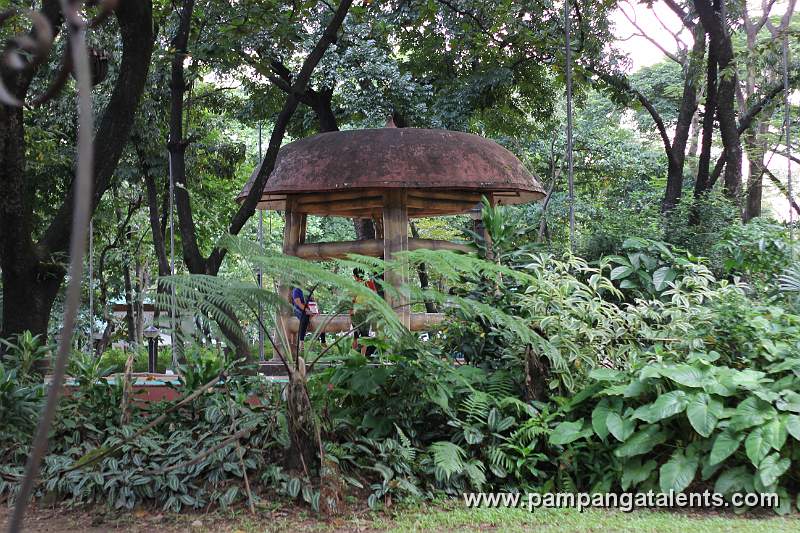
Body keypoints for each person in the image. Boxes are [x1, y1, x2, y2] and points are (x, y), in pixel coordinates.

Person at [351, 269, 377, 355]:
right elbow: (375, 297)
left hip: (357, 312)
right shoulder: (369, 283)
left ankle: (353, 355)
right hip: (366, 312)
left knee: (356, 336)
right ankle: (361, 356)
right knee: (364, 336)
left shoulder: (355, 285)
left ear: (355, 276)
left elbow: (353, 299)